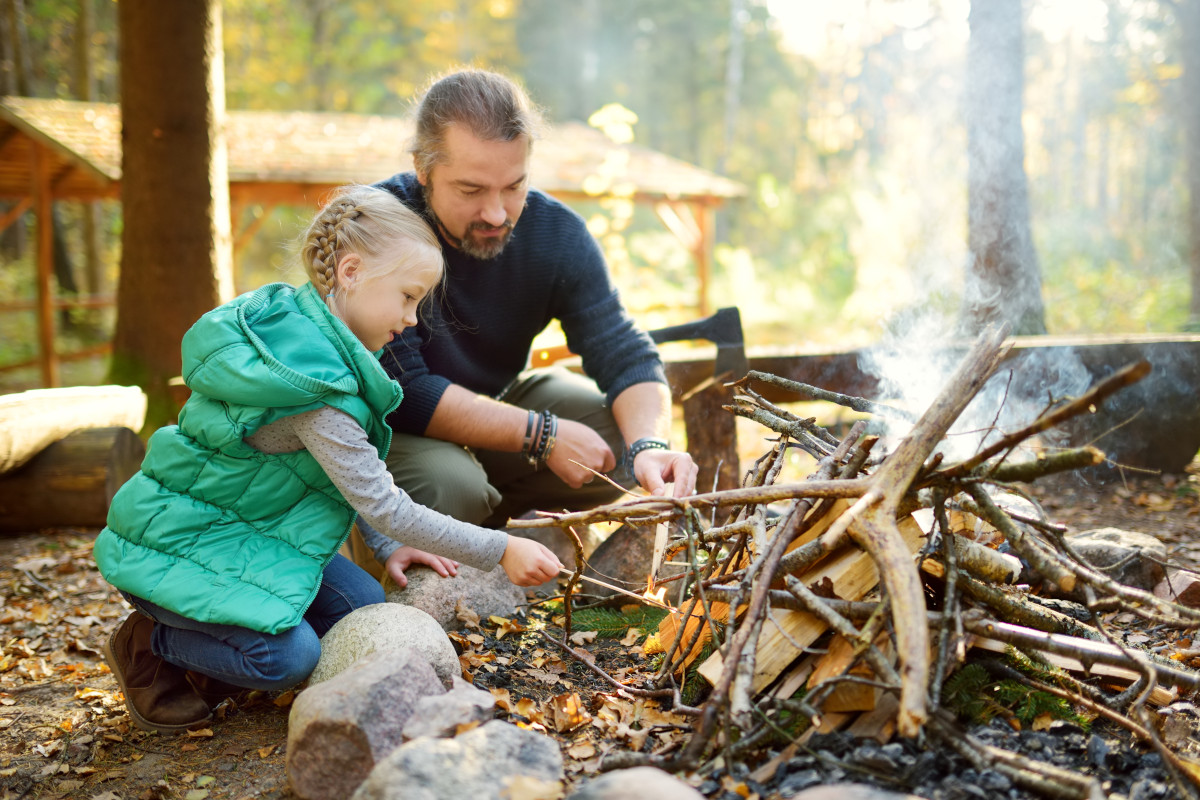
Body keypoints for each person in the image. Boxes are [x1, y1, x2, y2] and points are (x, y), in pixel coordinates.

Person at [92, 185, 562, 734]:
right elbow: (384, 504)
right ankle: (150, 642)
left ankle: (210, 651)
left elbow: (345, 477)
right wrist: (500, 548)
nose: (412, 319)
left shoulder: (309, 338)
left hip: (247, 529)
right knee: (287, 660)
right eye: (407, 297)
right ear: (352, 271)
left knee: (358, 604)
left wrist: (387, 546)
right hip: (179, 542)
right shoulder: (314, 389)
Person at [358, 68, 699, 582]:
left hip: (497, 402)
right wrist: (542, 435)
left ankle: (497, 525)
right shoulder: (376, 226)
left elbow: (623, 349)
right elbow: (404, 390)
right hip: (390, 428)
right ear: (423, 170)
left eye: (514, 186)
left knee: (622, 447)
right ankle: (403, 554)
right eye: (471, 190)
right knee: (452, 487)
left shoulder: (555, 232)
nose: (496, 213)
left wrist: (651, 446)